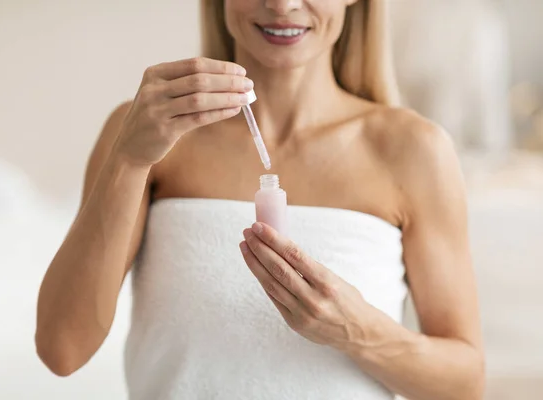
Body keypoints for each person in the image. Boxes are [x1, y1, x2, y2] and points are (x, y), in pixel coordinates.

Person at [35, 1, 485, 399]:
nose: (282, 4)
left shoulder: (414, 152)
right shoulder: (147, 136)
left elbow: (465, 385)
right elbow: (63, 350)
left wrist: (359, 331)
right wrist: (128, 159)